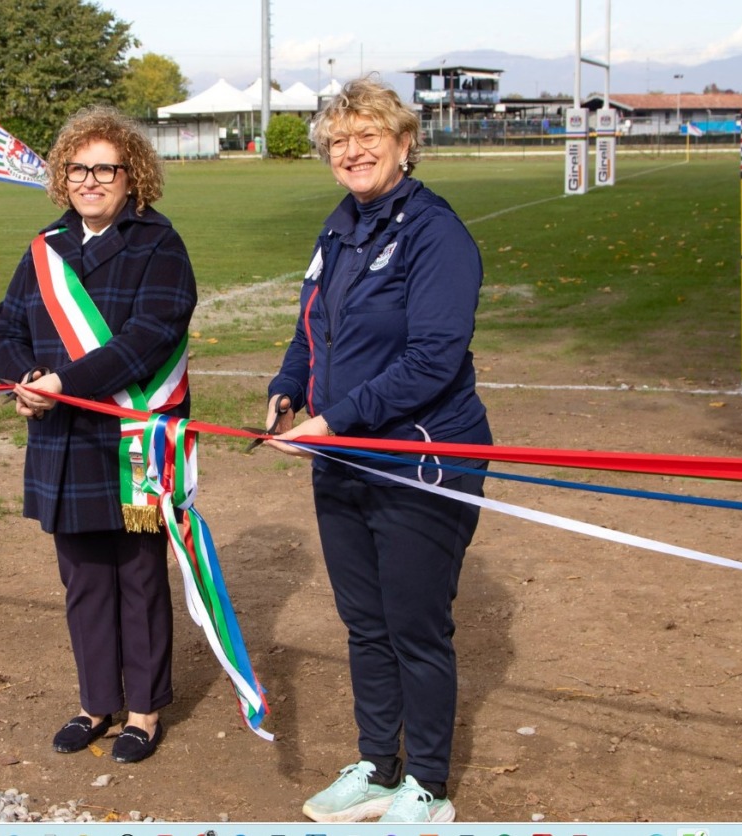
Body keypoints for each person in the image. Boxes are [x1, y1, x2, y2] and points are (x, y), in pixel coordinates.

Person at [260, 76, 492, 823]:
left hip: (422, 458)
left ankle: (427, 784)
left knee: (415, 625)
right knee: (364, 620)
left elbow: (432, 358)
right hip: (345, 456)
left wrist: (336, 421)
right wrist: (289, 387)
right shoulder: (340, 227)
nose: (352, 151)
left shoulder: (436, 232)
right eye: (339, 141)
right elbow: (311, 328)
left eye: (367, 136)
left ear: (403, 143)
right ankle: (378, 765)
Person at [0, 105, 196, 765]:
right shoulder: (45, 249)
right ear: (62, 177)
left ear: (131, 176)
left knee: (138, 577)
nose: (92, 180)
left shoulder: (160, 245)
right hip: (63, 439)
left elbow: (149, 339)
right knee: (82, 579)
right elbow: (4, 330)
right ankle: (95, 701)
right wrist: (22, 379)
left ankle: (143, 711)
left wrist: (62, 383)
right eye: (79, 168)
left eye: (106, 169)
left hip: (133, 439)